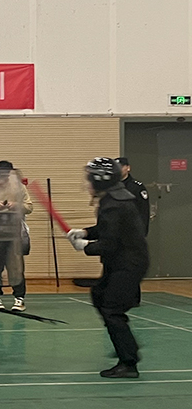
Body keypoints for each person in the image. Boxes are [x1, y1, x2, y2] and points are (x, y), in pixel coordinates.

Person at [67, 158, 149, 378]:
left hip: (128, 263)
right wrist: (85, 232)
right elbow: (108, 228)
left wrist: (85, 246)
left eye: (89, 179)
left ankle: (128, 363)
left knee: (112, 310)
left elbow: (109, 244)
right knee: (100, 294)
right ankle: (126, 344)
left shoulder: (113, 204)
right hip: (122, 261)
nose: (87, 183)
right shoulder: (113, 197)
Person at [0, 160, 32, 311]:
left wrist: (16, 205)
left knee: (16, 266)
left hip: (14, 232)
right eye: (0, 174)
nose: (3, 177)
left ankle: (19, 298)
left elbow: (29, 207)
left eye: (6, 174)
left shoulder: (19, 187)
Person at [116, 157, 151, 235]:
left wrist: (142, 231)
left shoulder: (136, 187)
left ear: (128, 168)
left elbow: (143, 210)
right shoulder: (112, 186)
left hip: (133, 230)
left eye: (121, 167)